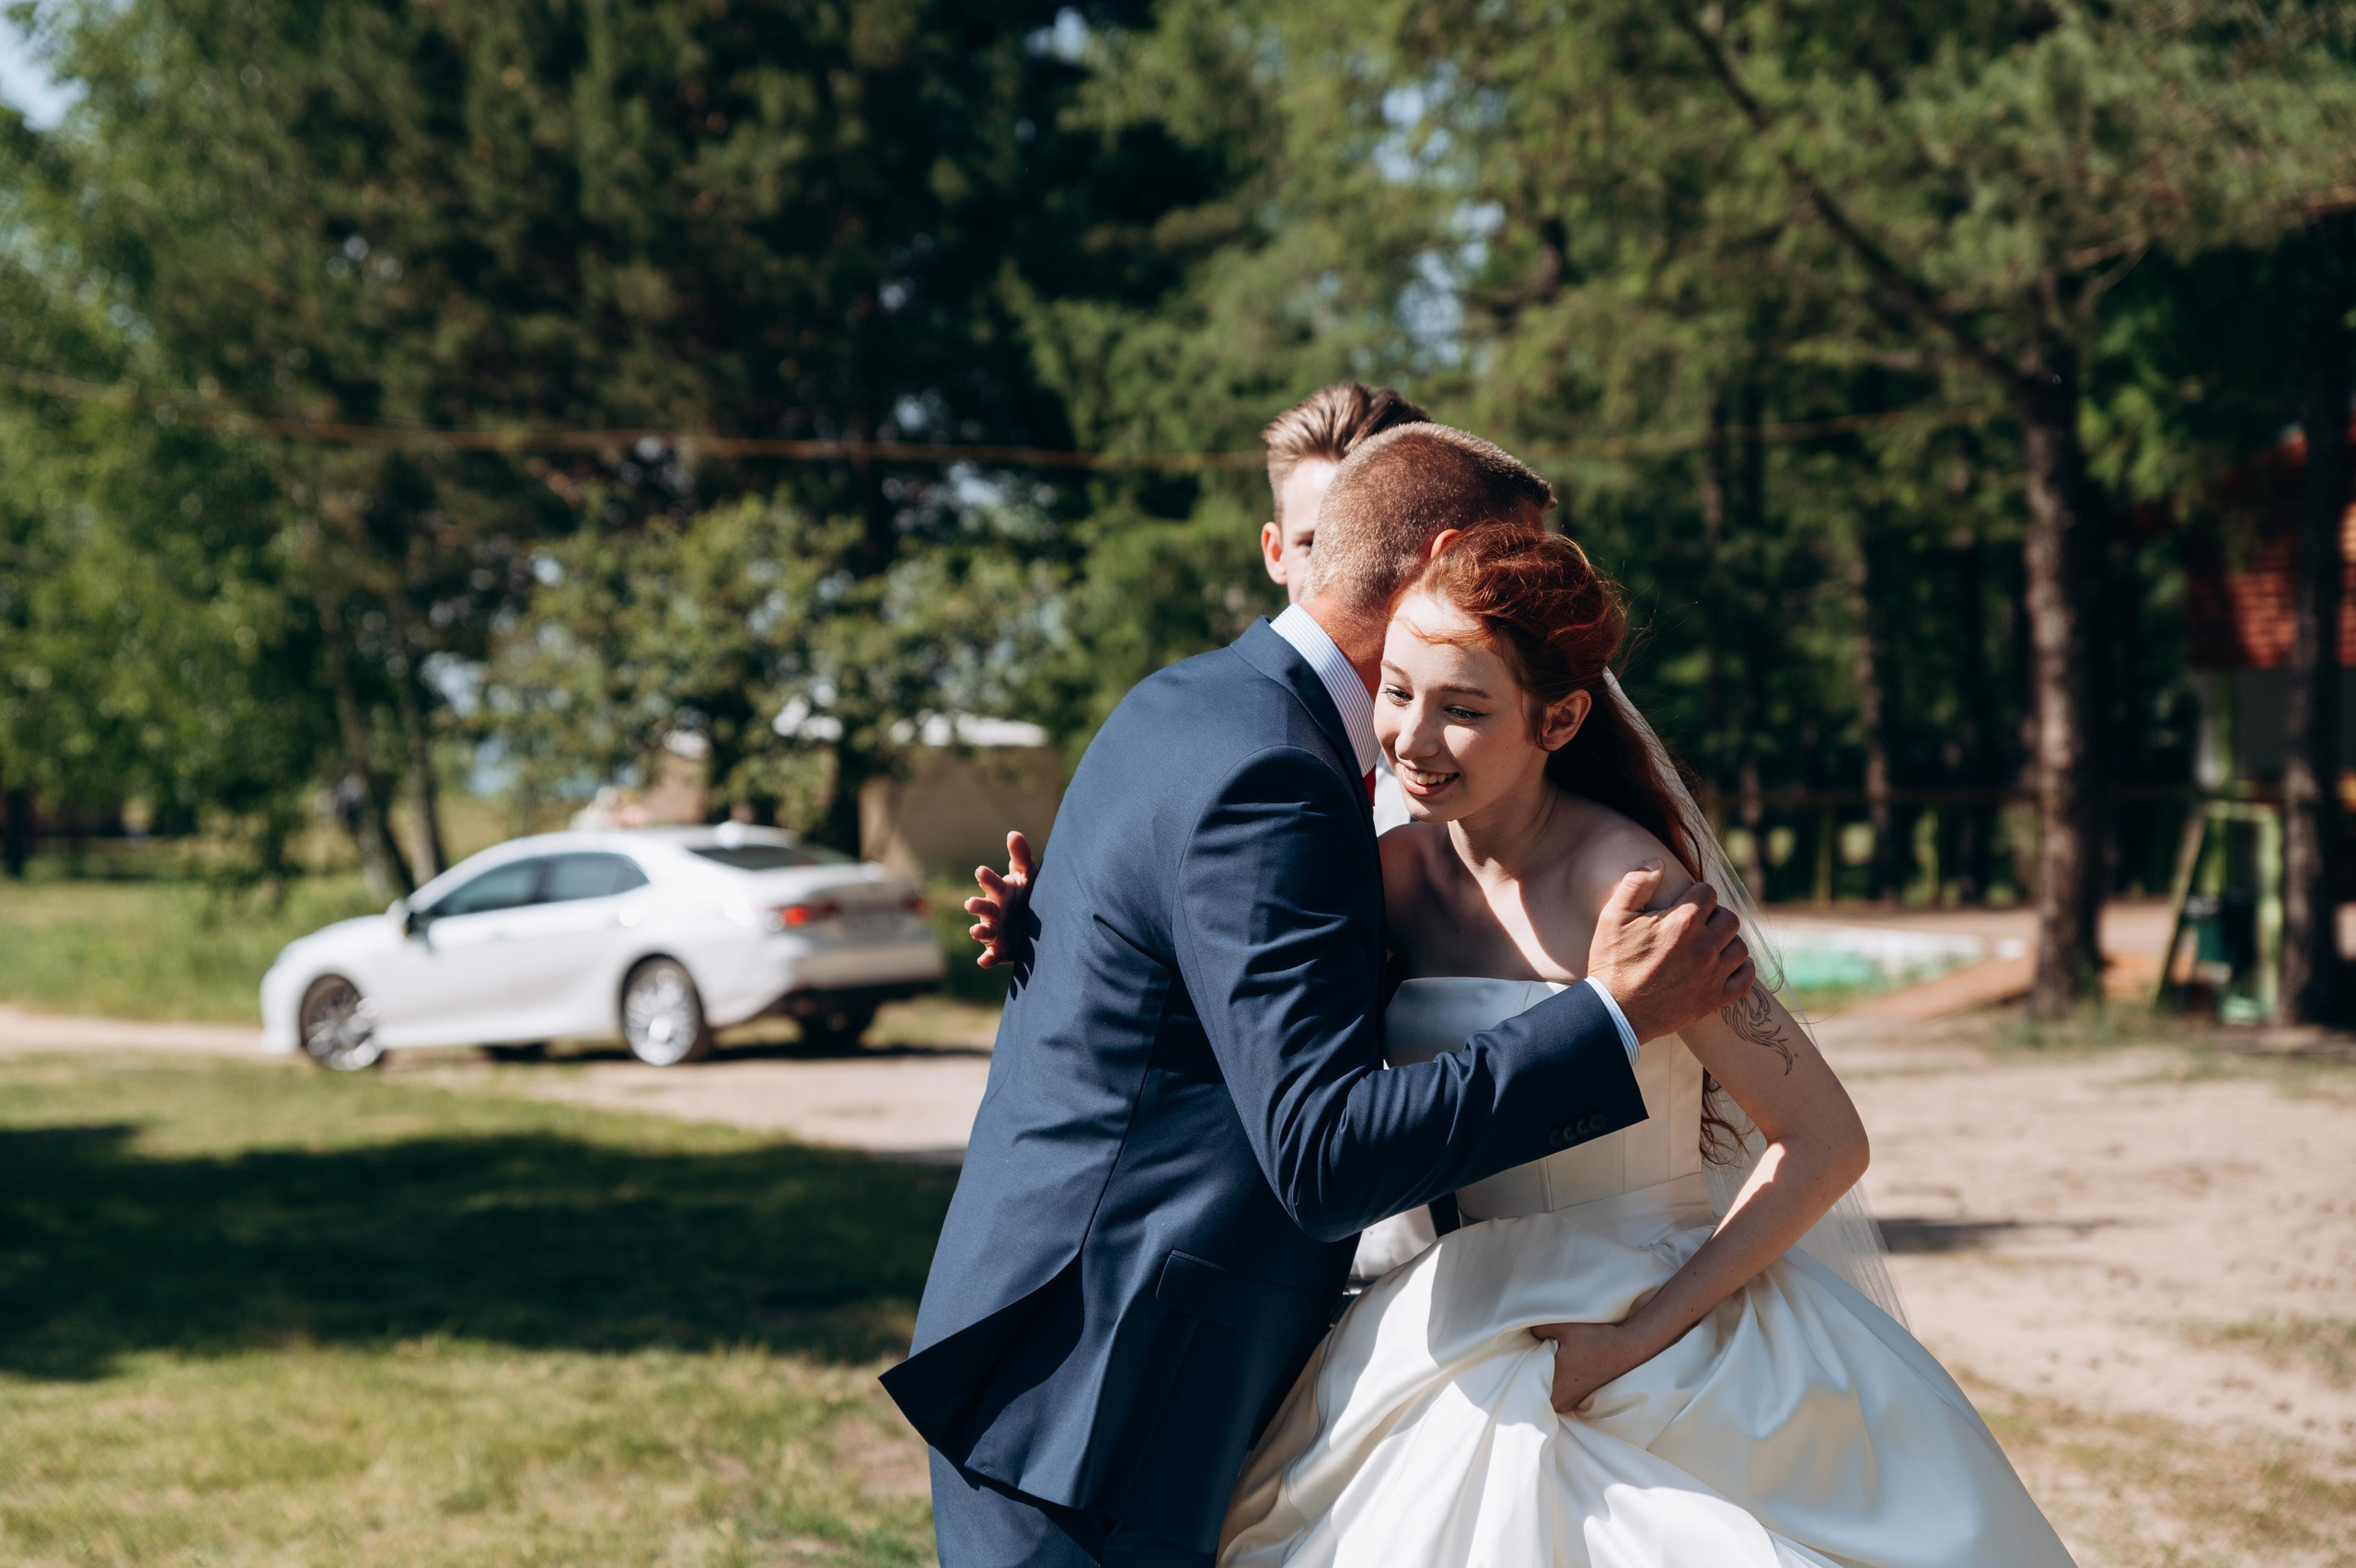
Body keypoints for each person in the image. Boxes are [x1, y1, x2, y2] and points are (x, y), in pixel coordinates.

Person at [882, 424, 1757, 1568]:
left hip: (1062, 1342)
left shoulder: (1191, 703)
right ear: (1444, 556)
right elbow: (1321, 1149)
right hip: (1107, 1388)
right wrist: (1607, 1018)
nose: (1525, 612)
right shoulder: (1274, 773)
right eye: (1507, 574)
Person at [1216, 523, 2073, 1565]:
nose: (1413, 739)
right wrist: (1064, 919)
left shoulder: (1635, 894)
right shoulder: (1390, 875)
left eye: (1464, 709)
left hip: (1654, 1311)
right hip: (1459, 1313)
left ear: (1560, 717)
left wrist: (1639, 1337)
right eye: (1397, 693)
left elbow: (1822, 1140)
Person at [1257, 382, 1430, 836]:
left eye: (1373, 544)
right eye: (1314, 544)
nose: (1344, 577)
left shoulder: (1513, 720)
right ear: (1275, 554)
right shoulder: (1228, 737)